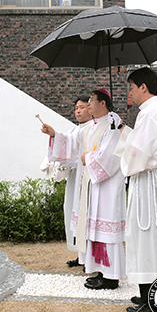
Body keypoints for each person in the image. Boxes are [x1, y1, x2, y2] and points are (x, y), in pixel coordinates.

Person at [42, 88, 127, 289]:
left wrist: (87, 158)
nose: (88, 105)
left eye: (91, 101)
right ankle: (101, 271)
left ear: (103, 103)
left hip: (107, 187)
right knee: (95, 231)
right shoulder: (92, 127)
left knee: (106, 231)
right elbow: (72, 143)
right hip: (92, 187)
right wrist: (54, 134)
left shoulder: (113, 126)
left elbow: (110, 156)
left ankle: (111, 276)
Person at [113, 67, 157, 312]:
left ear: (143, 87)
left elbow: (138, 153)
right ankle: (147, 293)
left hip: (147, 180)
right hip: (149, 178)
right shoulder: (154, 112)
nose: (130, 93)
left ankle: (152, 298)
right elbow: (141, 146)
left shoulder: (151, 113)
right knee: (148, 238)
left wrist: (124, 147)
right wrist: (122, 131)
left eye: (130, 88)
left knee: (148, 238)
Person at [54, 96, 92, 267]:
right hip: (74, 178)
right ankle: (80, 255)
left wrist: (55, 135)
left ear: (91, 108)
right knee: (72, 212)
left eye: (82, 107)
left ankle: (88, 257)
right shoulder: (74, 129)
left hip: (86, 178)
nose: (78, 111)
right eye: (76, 108)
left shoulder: (92, 128)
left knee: (85, 215)